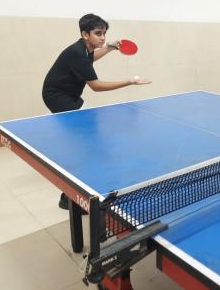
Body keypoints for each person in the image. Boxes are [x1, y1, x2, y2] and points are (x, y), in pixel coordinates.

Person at [42, 13, 151, 209]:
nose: (102, 37)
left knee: (86, 139)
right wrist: (130, 81)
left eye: (104, 33)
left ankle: (70, 196)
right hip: (58, 97)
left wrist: (110, 47)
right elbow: (97, 86)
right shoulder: (76, 52)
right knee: (85, 143)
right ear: (85, 34)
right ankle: (69, 197)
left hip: (70, 96)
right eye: (98, 34)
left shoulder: (84, 49)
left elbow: (91, 58)